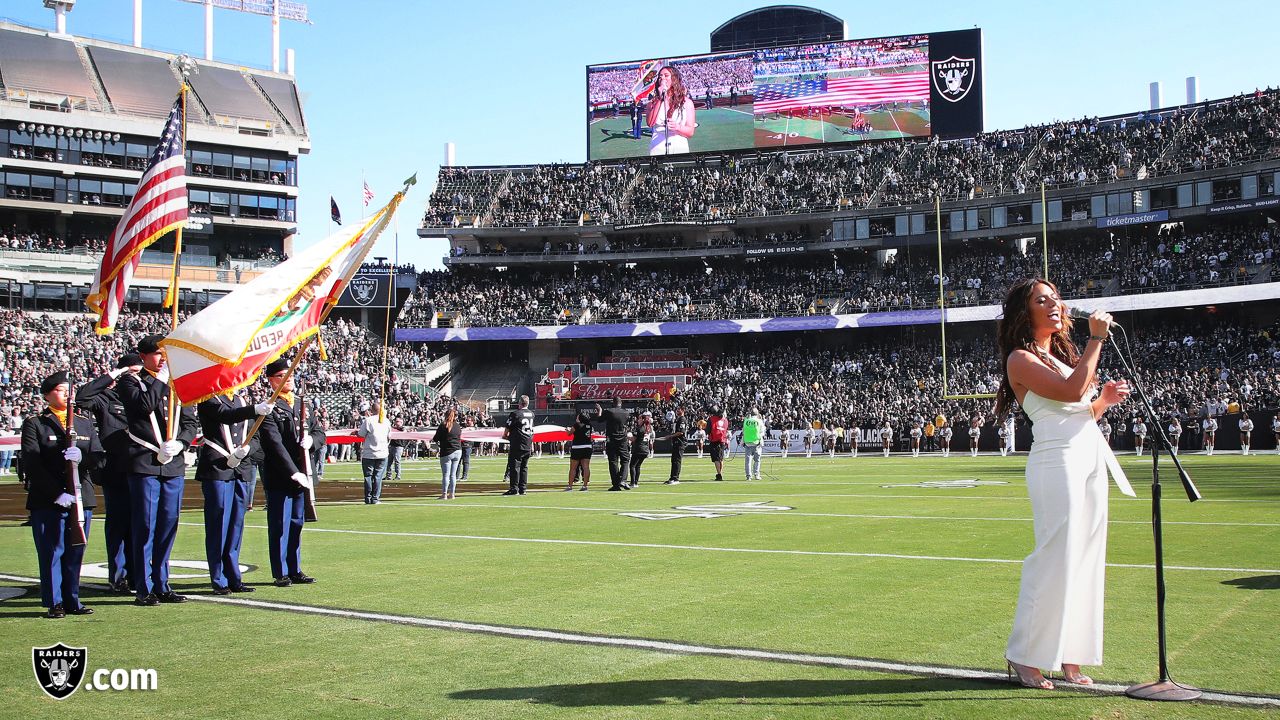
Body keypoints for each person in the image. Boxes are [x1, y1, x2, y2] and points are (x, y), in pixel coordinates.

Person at [996, 278, 1132, 690]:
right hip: (1056, 460)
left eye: (1056, 298)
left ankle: (1072, 655)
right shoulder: (1020, 358)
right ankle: (1024, 655)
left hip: (1088, 454)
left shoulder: (1055, 356)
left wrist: (1103, 402)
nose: (1054, 305)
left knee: (1088, 556)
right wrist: (1096, 340)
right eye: (1043, 300)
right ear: (1025, 312)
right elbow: (1072, 391)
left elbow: (1078, 409)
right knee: (1055, 554)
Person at [118, 334, 198, 607]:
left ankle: (162, 582)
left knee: (168, 524)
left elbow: (189, 422)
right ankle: (143, 586)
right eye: (157, 354)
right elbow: (144, 406)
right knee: (145, 525)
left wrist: (182, 443)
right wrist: (162, 378)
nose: (162, 358)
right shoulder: (130, 381)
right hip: (145, 462)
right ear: (143, 356)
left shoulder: (177, 384)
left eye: (165, 354)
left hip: (172, 464)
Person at [24, 372, 102, 618]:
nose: (67, 393)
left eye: (69, 389)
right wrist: (57, 493)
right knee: (52, 552)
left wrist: (83, 458)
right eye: (60, 389)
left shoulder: (84, 422)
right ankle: (54, 601)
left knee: (76, 550)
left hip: (81, 497)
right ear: (47, 394)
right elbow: (32, 463)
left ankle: (73, 600)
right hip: (50, 500)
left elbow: (99, 457)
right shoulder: (35, 423)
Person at [195, 390, 271, 594]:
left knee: (236, 526)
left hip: (241, 468)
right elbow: (224, 415)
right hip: (218, 466)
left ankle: (233, 576)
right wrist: (254, 409)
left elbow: (255, 435)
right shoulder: (209, 398)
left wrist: (247, 449)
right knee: (218, 524)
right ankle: (218, 578)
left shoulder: (240, 399)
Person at [75, 354, 139, 594]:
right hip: (116, 469)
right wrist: (114, 373)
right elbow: (82, 397)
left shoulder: (143, 394)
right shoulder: (107, 397)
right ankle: (119, 576)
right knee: (119, 525)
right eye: (132, 372)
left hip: (143, 467)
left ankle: (138, 574)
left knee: (140, 526)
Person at [258, 359, 316, 587]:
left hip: (302, 474)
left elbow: (319, 432)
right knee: (280, 525)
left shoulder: (303, 404)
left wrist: (312, 441)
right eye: (283, 375)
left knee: (296, 523)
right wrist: (293, 472)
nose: (288, 378)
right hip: (281, 475)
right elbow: (275, 445)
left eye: (290, 374)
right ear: (272, 380)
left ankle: (295, 568)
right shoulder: (269, 407)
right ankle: (280, 572)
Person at [646, 65, 696, 156]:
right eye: (660, 76)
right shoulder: (652, 103)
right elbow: (650, 122)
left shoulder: (687, 103)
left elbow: (690, 132)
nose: (662, 78)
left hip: (679, 146)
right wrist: (660, 98)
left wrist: (677, 127)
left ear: (674, 79)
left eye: (666, 75)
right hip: (658, 147)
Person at [357, 400, 391, 504]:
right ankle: (375, 498)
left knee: (368, 476)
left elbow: (361, 434)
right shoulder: (386, 421)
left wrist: (356, 433)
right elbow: (389, 436)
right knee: (378, 476)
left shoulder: (369, 420)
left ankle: (368, 498)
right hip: (382, 452)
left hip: (369, 453)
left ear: (372, 410)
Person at [502, 395, 534, 495]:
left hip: (517, 442)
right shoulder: (531, 414)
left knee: (515, 466)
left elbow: (508, 426)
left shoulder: (515, 413)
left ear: (519, 403)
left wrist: (505, 435)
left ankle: (514, 488)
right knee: (524, 467)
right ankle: (523, 488)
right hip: (528, 442)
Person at [565, 405, 599, 491]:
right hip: (587, 447)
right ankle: (585, 486)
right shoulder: (589, 425)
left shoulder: (576, 425)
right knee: (586, 467)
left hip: (577, 447)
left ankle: (570, 486)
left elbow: (569, 433)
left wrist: (567, 430)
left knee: (573, 468)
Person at [600, 397, 632, 491]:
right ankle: (623, 480)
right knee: (625, 460)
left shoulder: (609, 411)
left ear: (613, 403)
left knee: (613, 462)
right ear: (621, 403)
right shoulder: (626, 412)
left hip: (611, 439)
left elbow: (599, 419)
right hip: (622, 439)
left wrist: (600, 411)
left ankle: (616, 484)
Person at [433, 407, 462, 500]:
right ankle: (452, 494)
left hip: (447, 451)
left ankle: (444, 494)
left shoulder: (443, 425)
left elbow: (436, 438)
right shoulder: (457, 426)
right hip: (457, 450)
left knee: (446, 474)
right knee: (453, 475)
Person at [628, 410, 654, 488]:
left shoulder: (640, 428)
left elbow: (633, 439)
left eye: (639, 419)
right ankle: (636, 482)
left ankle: (633, 483)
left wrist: (626, 436)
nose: (637, 420)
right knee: (638, 466)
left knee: (632, 465)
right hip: (645, 449)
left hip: (639, 449)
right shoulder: (649, 428)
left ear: (642, 420)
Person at [664, 406, 688, 485]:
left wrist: (670, 436)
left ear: (683, 410)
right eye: (677, 409)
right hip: (676, 442)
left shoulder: (682, 419)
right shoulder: (678, 419)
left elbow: (681, 432)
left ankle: (676, 478)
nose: (677, 411)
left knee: (677, 460)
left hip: (680, 442)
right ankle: (672, 477)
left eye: (679, 409)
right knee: (674, 460)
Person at [706, 406, 729, 481]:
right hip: (722, 440)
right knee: (721, 458)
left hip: (714, 440)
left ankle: (719, 474)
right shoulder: (725, 420)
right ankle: (720, 473)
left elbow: (708, 430)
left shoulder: (711, 419)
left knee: (716, 459)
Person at [742, 408, 765, 481]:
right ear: (757, 414)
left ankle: (748, 476)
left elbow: (743, 431)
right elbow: (762, 432)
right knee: (757, 460)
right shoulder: (759, 421)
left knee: (748, 461)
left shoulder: (746, 421)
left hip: (748, 443)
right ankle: (756, 474)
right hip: (756, 443)